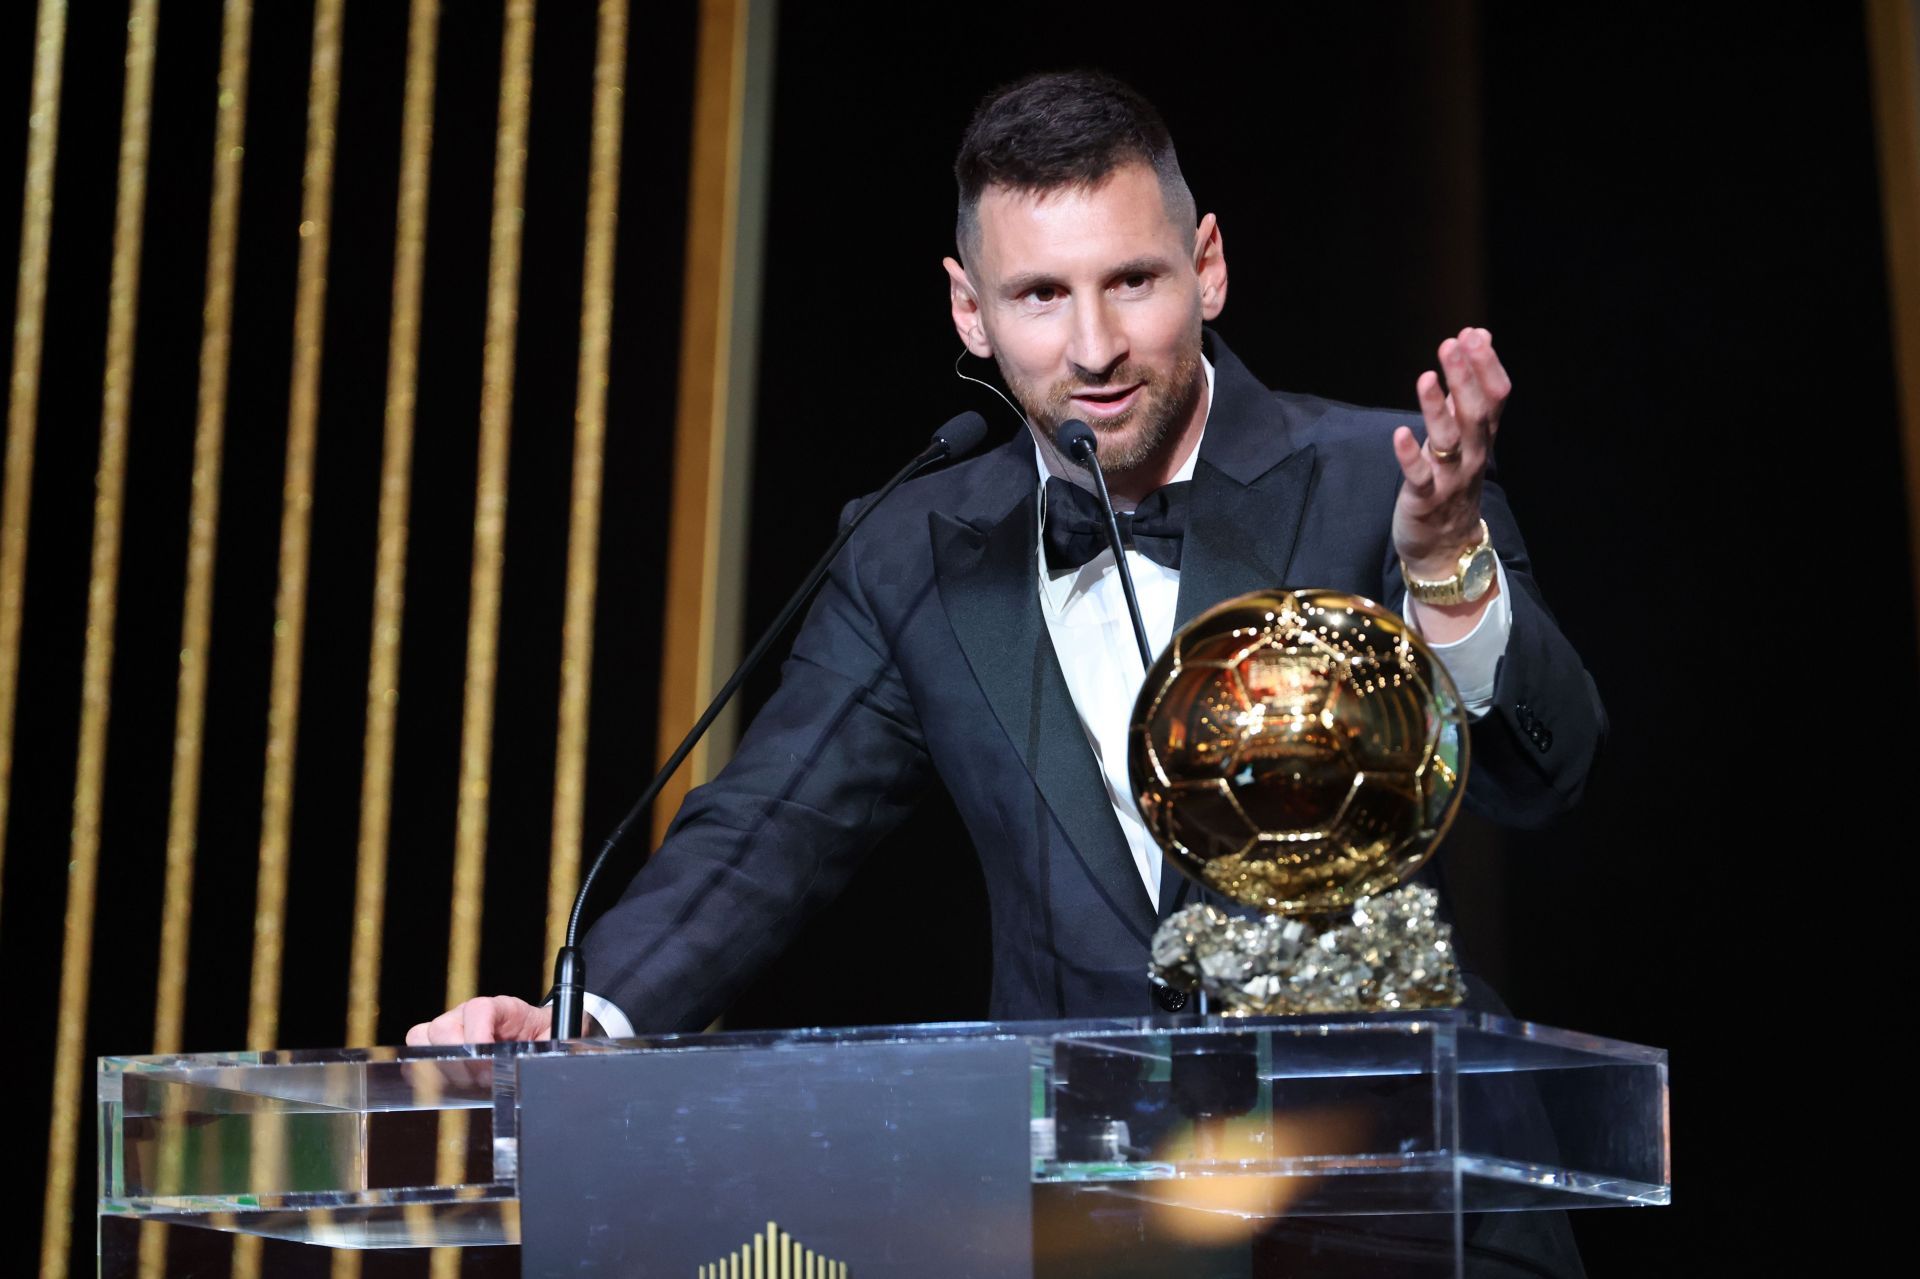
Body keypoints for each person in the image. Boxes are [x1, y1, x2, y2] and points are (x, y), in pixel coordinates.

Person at [409, 70, 1602, 1049]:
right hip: (1087, 1194)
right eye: (1039, 295)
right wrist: (583, 1020)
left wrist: (1447, 563)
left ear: (1210, 266)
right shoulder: (914, 548)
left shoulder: (1376, 478)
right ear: (969, 312)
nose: (1093, 346)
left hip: (1386, 1176)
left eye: (1131, 280)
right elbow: (770, 822)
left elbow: (1541, 775)